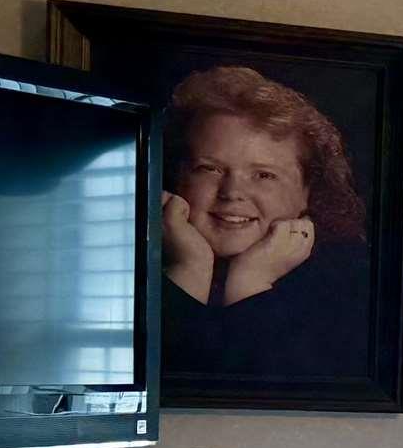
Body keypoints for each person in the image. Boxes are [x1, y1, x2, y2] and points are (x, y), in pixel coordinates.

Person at [158, 65, 371, 380]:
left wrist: (250, 284)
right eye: (210, 169)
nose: (232, 193)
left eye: (264, 175)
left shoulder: (349, 291)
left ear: (308, 193)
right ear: (178, 176)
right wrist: (189, 267)